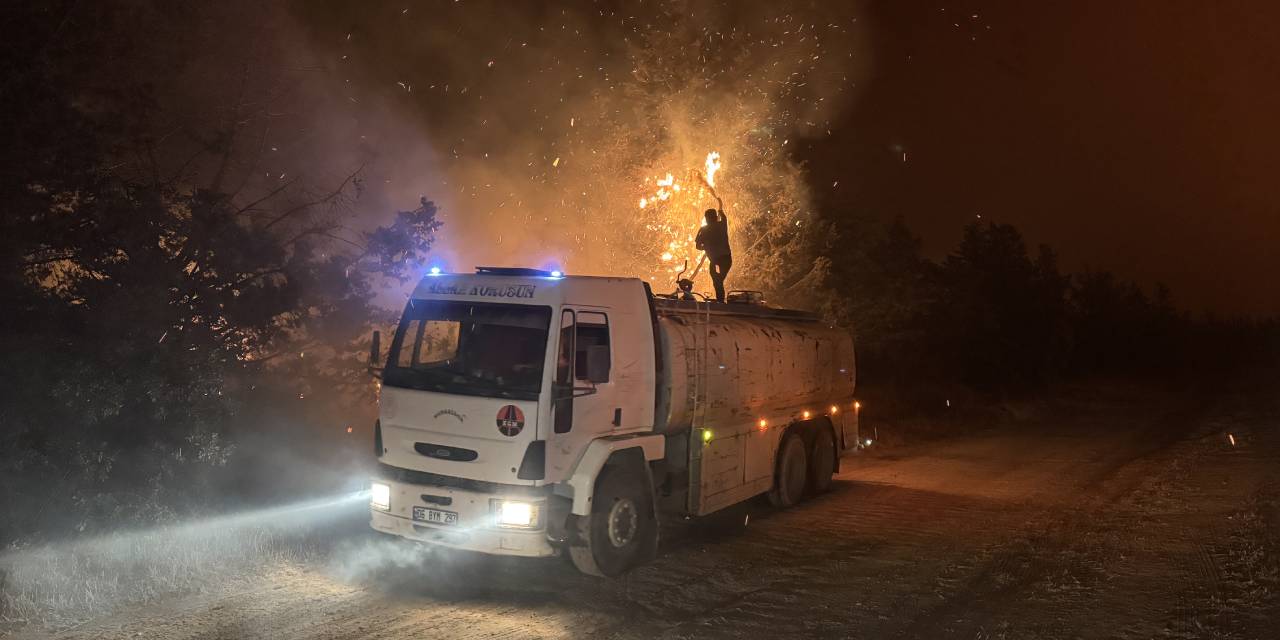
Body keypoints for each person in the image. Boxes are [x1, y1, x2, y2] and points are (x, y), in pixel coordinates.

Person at [695, 198, 732, 302]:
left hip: (720, 260)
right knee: (718, 280)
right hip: (724, 260)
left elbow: (698, 246)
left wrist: (706, 247)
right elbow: (723, 216)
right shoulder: (722, 224)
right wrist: (720, 207)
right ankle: (720, 300)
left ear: (706, 219)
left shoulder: (704, 229)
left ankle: (720, 301)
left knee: (718, 281)